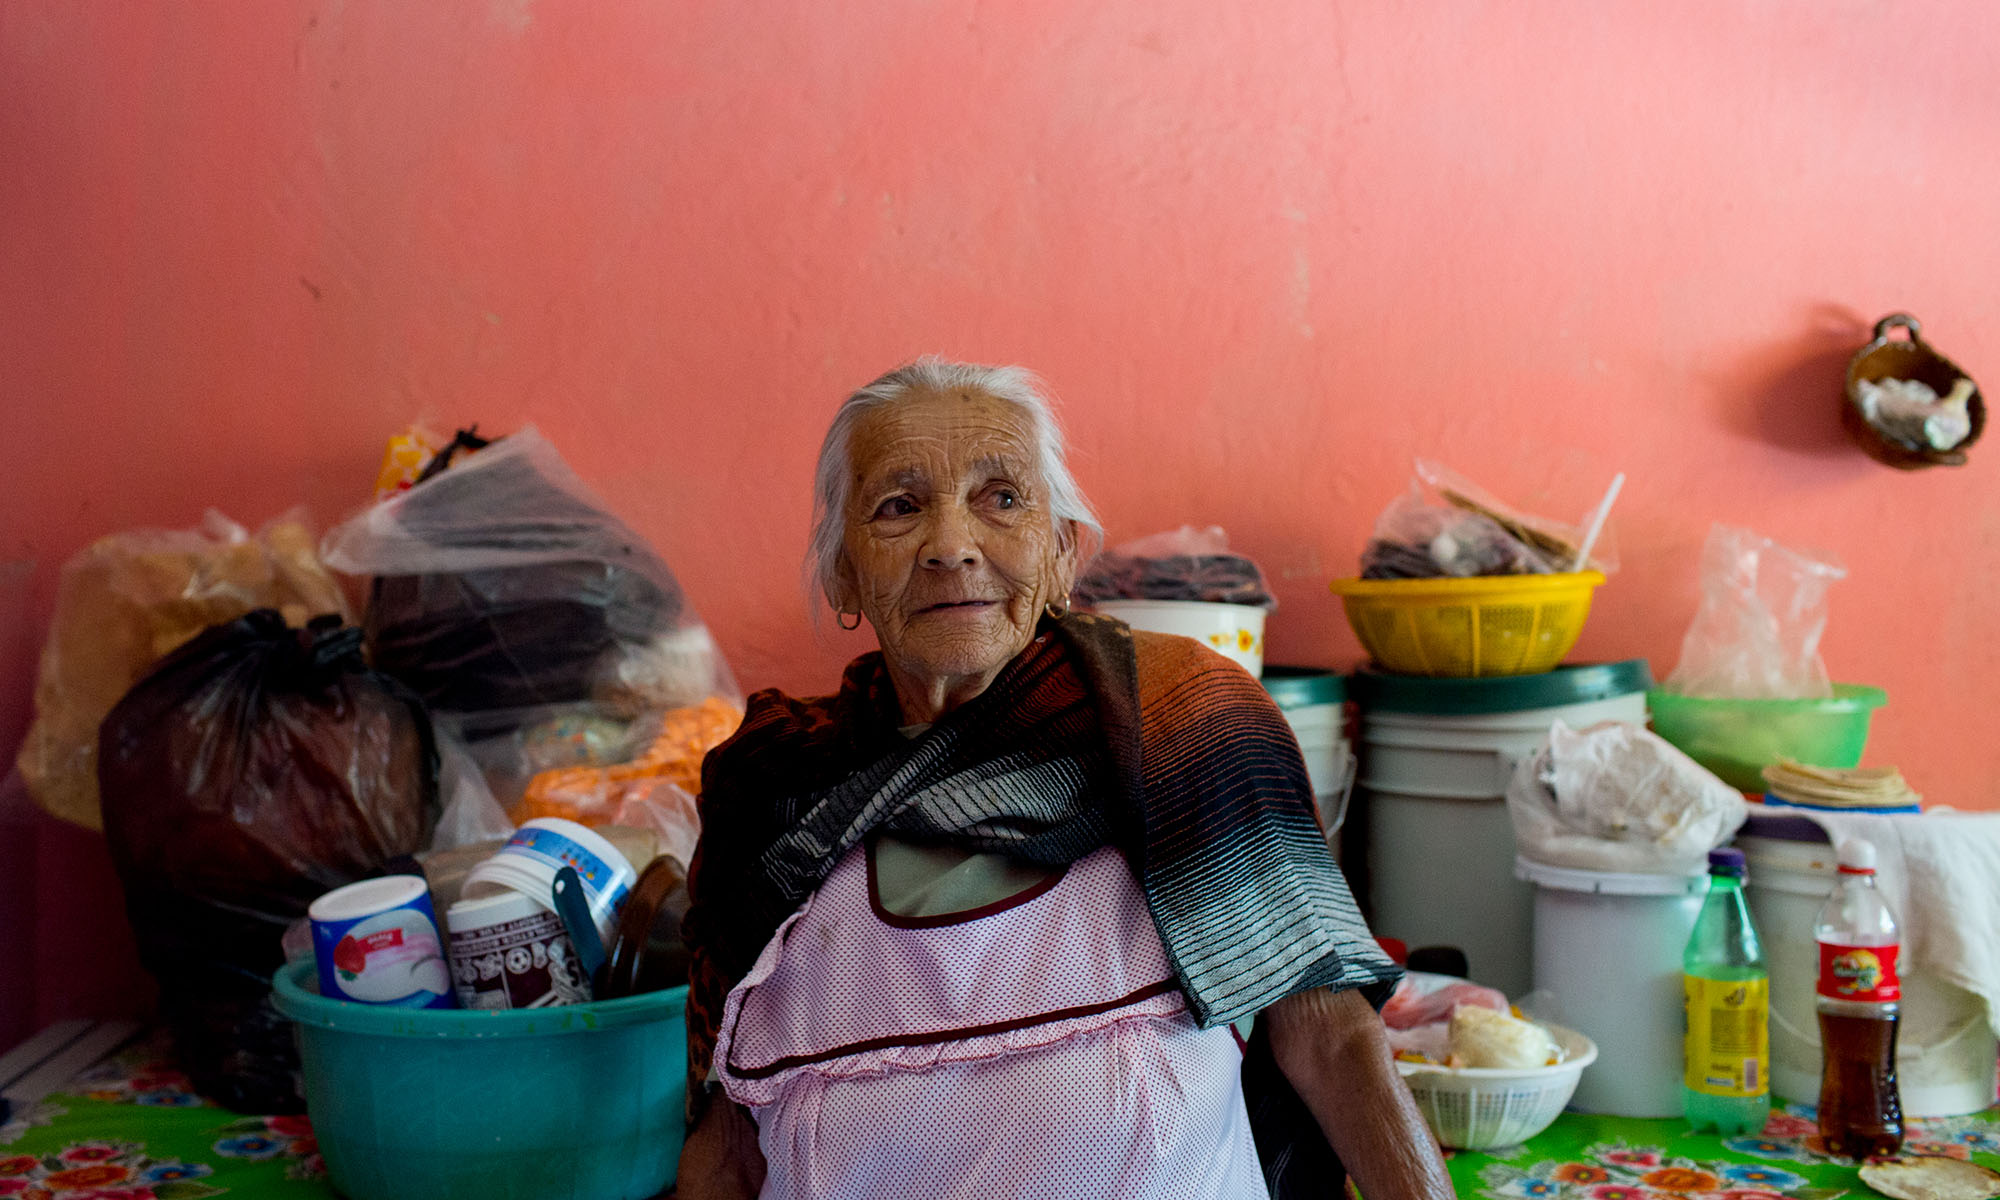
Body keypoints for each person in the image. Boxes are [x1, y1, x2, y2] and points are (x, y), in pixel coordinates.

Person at [678, 358, 1452, 1200]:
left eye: (1001, 498)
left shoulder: (1182, 729)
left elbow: (1334, 1045)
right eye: (898, 508)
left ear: (1059, 553)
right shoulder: (772, 795)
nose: (951, 546)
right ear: (843, 575)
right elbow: (730, 1145)